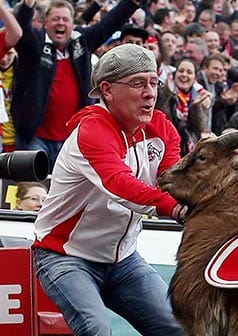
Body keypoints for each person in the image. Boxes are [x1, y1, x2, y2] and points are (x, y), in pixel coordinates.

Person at [32, 44, 186, 336]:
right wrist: (175, 208)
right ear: (107, 90)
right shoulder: (92, 130)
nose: (150, 93)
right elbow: (121, 186)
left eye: (154, 82)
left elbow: (174, 181)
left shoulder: (162, 127)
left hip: (123, 259)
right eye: (138, 83)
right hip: (65, 256)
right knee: (95, 328)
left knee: (178, 328)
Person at [12, 0, 157, 170]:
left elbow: (110, 23)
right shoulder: (35, 44)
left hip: (72, 139)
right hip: (35, 137)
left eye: (65, 19)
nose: (60, 23)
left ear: (73, 24)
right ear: (45, 23)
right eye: (55, 19)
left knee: (66, 196)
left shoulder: (81, 41)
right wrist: (29, 0)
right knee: (31, 189)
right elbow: (20, 31)